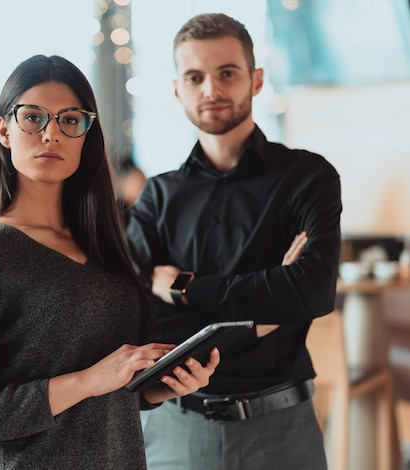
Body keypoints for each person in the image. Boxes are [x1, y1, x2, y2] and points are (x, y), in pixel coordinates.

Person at [0, 54, 220, 470]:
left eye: (70, 120)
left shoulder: (108, 249)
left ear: (86, 134)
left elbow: (119, 393)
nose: (51, 134)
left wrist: (162, 386)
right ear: (3, 130)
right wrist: (87, 381)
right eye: (33, 118)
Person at [126, 13, 342, 470]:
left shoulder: (308, 177)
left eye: (227, 73)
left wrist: (185, 288)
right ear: (177, 89)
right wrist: (265, 314)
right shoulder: (157, 196)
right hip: (175, 430)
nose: (211, 89)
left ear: (256, 80)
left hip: (282, 427)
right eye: (194, 76)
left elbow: (313, 291)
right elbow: (144, 318)